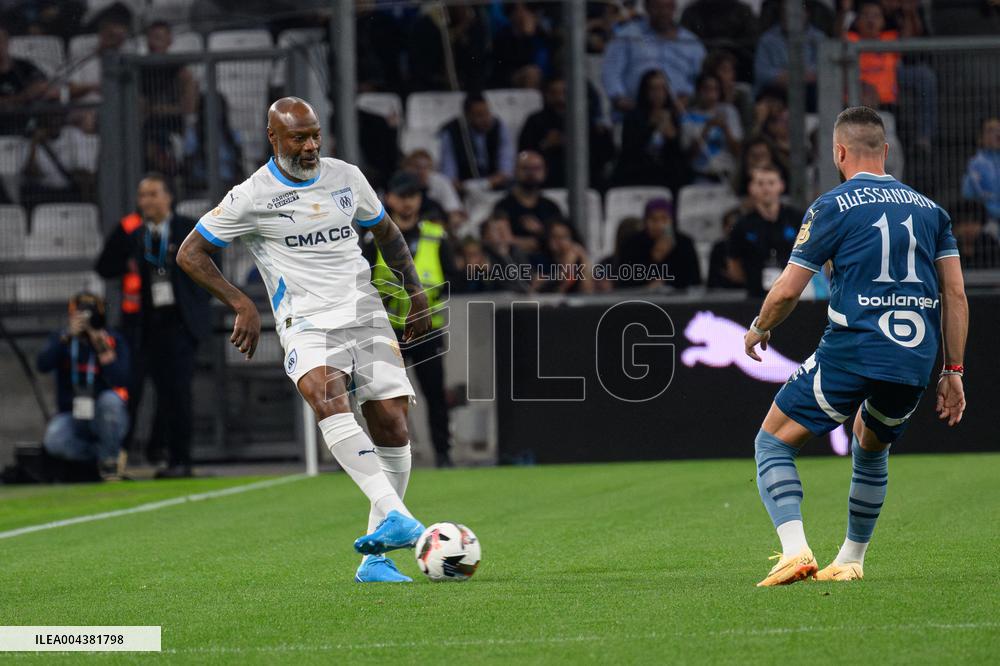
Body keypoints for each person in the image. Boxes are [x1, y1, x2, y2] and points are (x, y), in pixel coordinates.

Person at [176, 97, 430, 583]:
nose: (311, 145)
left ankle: (376, 557)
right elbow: (191, 253)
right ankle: (393, 513)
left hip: (363, 310)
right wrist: (241, 303)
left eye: (315, 134)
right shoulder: (251, 195)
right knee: (325, 394)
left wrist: (415, 294)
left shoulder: (346, 177)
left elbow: (388, 234)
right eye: (300, 137)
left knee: (393, 422)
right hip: (306, 318)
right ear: (273, 137)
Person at [744, 106, 967, 586]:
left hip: (853, 348)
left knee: (772, 442)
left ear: (838, 152)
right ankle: (850, 559)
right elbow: (955, 296)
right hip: (915, 357)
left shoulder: (832, 206)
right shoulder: (933, 212)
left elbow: (786, 290)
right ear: (886, 152)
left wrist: (760, 327)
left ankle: (795, 551)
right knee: (870, 442)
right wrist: (954, 371)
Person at [95, 174, 212, 478]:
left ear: (168, 197)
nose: (145, 201)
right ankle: (119, 460)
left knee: (177, 394)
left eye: (152, 194)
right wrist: (127, 249)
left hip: (179, 324)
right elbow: (104, 266)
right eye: (141, 195)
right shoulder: (132, 232)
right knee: (131, 392)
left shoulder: (187, 228)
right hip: (142, 327)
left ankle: (180, 460)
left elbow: (211, 269)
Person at [365, 171, 461, 469]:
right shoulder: (373, 238)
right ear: (389, 198)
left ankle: (443, 454)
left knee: (434, 394)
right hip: (387, 330)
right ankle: (385, 456)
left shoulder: (436, 234)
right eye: (402, 196)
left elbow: (453, 278)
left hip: (426, 329)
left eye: (413, 196)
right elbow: (363, 280)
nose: (408, 203)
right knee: (382, 396)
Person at [36, 292, 130, 479]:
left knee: (110, 401)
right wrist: (67, 336)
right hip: (73, 414)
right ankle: (101, 458)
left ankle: (110, 462)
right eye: (80, 315)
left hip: (105, 416)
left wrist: (101, 346)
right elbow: (42, 364)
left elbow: (122, 379)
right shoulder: (63, 339)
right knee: (54, 440)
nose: (85, 321)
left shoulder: (112, 338)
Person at [601, 0, 707, 111]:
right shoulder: (627, 36)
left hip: (682, 114)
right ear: (647, 7)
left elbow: (701, 78)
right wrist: (620, 99)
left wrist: (689, 98)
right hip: (634, 114)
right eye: (657, 7)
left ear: (674, 8)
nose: (663, 12)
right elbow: (611, 72)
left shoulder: (691, 42)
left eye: (667, 7)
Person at [518, 75, 616, 189]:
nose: (560, 98)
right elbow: (523, 154)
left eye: (564, 92)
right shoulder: (535, 120)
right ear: (546, 95)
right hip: (549, 180)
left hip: (586, 178)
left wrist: (602, 135)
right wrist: (545, 144)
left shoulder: (587, 120)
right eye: (554, 93)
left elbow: (607, 155)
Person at [727, 165, 803, 296]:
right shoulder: (742, 226)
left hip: (793, 295)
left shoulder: (797, 219)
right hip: (755, 296)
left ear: (781, 185)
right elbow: (734, 266)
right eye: (760, 183)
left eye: (771, 183)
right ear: (751, 188)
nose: (766, 188)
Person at [612, 69, 689, 193]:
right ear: (645, 91)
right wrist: (650, 127)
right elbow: (630, 151)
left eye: (662, 88)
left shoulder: (673, 116)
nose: (658, 93)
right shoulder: (633, 117)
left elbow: (678, 154)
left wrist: (672, 137)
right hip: (637, 175)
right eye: (653, 89)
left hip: (666, 176)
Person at [616, 198, 701, 289]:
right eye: (654, 219)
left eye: (664, 219)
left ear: (672, 221)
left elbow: (694, 281)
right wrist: (655, 259)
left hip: (679, 299)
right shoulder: (631, 244)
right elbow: (625, 282)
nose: (659, 225)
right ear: (646, 221)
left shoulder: (684, 243)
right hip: (641, 299)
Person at [492, 151, 565, 256]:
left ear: (545, 172)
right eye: (526, 168)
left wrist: (540, 231)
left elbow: (562, 238)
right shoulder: (503, 205)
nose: (531, 173)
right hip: (515, 262)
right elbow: (501, 241)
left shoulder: (551, 207)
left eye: (536, 168)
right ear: (515, 171)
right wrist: (540, 242)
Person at [438, 92, 515, 192]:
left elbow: (506, 168)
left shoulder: (498, 127)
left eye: (487, 113)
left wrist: (486, 184)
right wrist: (465, 187)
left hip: (496, 185)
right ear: (466, 116)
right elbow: (449, 174)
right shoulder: (451, 132)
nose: (485, 119)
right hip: (464, 188)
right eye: (479, 115)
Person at [680, 73, 743, 182]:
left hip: (727, 174)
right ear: (698, 91)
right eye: (707, 89)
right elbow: (689, 155)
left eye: (715, 89)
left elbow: (738, 151)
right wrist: (707, 129)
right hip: (700, 176)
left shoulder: (729, 111)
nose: (711, 94)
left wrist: (725, 128)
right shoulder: (688, 117)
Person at [490, 1, 555, 89]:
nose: (522, 14)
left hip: (543, 81)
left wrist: (529, 36)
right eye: (516, 10)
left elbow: (546, 62)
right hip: (512, 82)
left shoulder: (543, 35)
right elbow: (501, 68)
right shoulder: (502, 37)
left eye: (527, 8)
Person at [0, 26, 52, 135]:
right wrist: (23, 97)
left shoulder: (24, 67)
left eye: (1, 41)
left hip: (25, 124)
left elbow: (44, 87)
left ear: (8, 42)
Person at [401, 149, 467, 232]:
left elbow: (454, 213)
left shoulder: (441, 182)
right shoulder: (400, 184)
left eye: (426, 167)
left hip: (435, 228)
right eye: (417, 167)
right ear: (407, 168)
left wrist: (450, 227)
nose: (422, 172)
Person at [533, 219, 594, 294]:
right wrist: (566, 267)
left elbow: (587, 292)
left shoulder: (578, 261)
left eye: (563, 237)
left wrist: (583, 257)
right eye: (554, 236)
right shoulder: (539, 260)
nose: (558, 241)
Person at [479, 211, 532, 293]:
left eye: (506, 228)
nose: (503, 234)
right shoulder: (482, 256)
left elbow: (527, 283)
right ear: (485, 237)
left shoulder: (517, 252)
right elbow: (493, 287)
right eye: (497, 230)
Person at [961, 117, 1000, 223]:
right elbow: (970, 194)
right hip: (987, 219)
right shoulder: (976, 163)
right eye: (991, 130)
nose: (997, 134)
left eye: (998, 130)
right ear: (981, 137)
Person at [707, 208, 742, 289]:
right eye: (730, 227)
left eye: (737, 227)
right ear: (724, 227)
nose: (734, 231)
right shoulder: (718, 248)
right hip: (723, 294)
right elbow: (713, 280)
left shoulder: (751, 245)